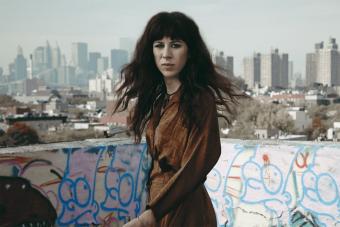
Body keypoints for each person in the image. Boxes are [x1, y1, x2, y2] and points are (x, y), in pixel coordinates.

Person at [114, 11, 244, 227]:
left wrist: (151, 214)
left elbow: (199, 163)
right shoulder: (159, 101)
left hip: (185, 209)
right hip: (158, 205)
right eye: (159, 45)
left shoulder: (200, 99)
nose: (166, 54)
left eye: (175, 45)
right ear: (151, 52)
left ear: (190, 52)